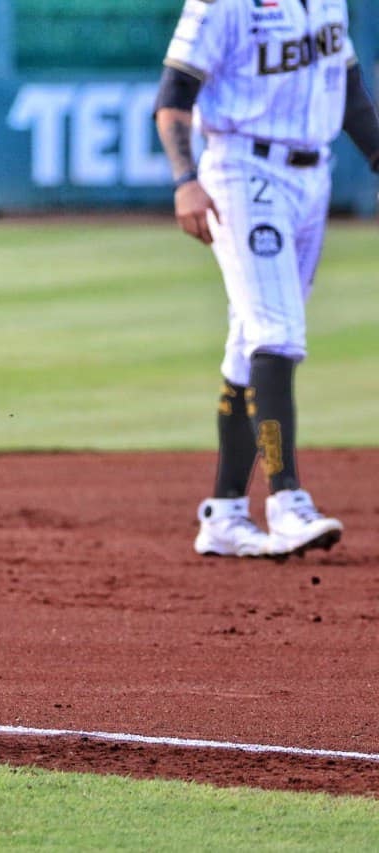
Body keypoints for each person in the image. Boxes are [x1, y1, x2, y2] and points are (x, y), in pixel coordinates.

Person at [154, 0, 379, 559]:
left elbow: (347, 85)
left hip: (312, 176)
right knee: (276, 331)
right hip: (243, 170)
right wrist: (185, 180)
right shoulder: (222, 5)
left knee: (249, 341)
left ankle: (225, 513)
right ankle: (287, 501)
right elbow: (173, 96)